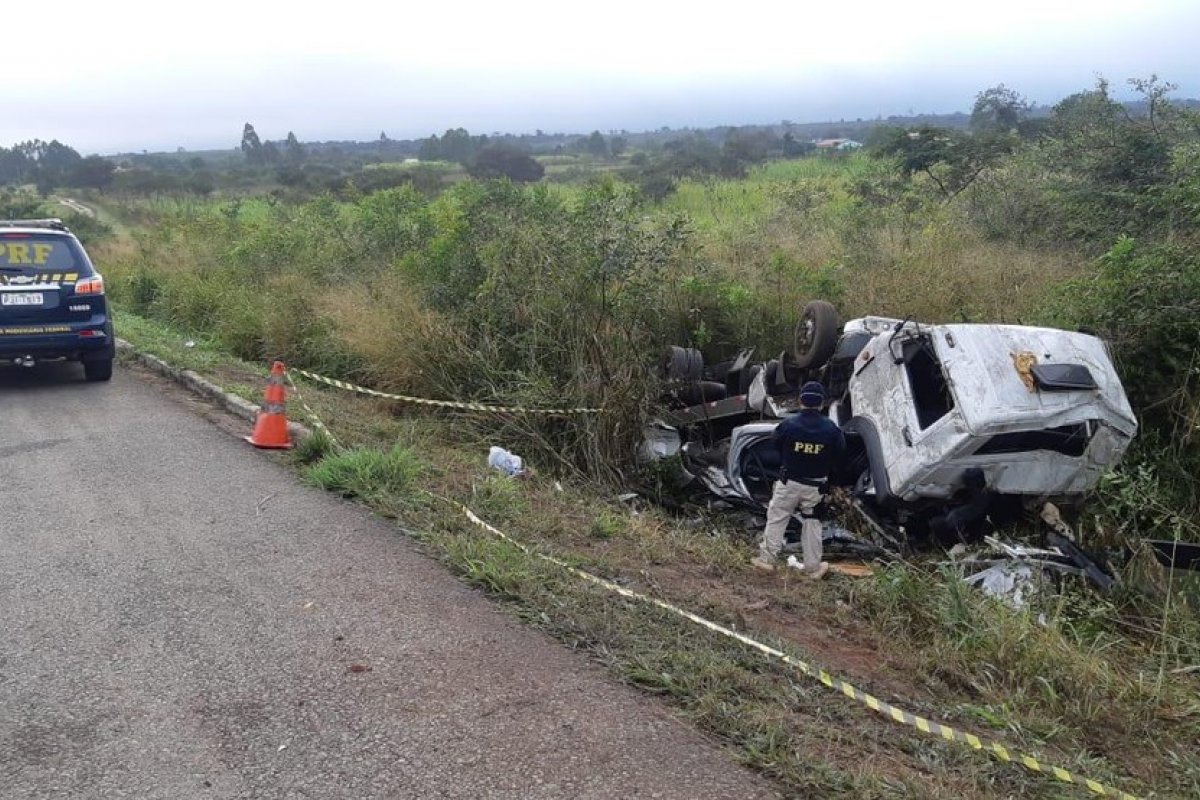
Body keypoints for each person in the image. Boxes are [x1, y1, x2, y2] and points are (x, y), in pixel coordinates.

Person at [751, 381, 845, 579]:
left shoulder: (788, 425)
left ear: (801, 401)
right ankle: (813, 568)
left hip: (789, 483)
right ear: (821, 404)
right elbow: (840, 456)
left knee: (777, 517)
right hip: (816, 486)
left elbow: (775, 445)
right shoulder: (832, 430)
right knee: (812, 523)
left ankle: (767, 560)